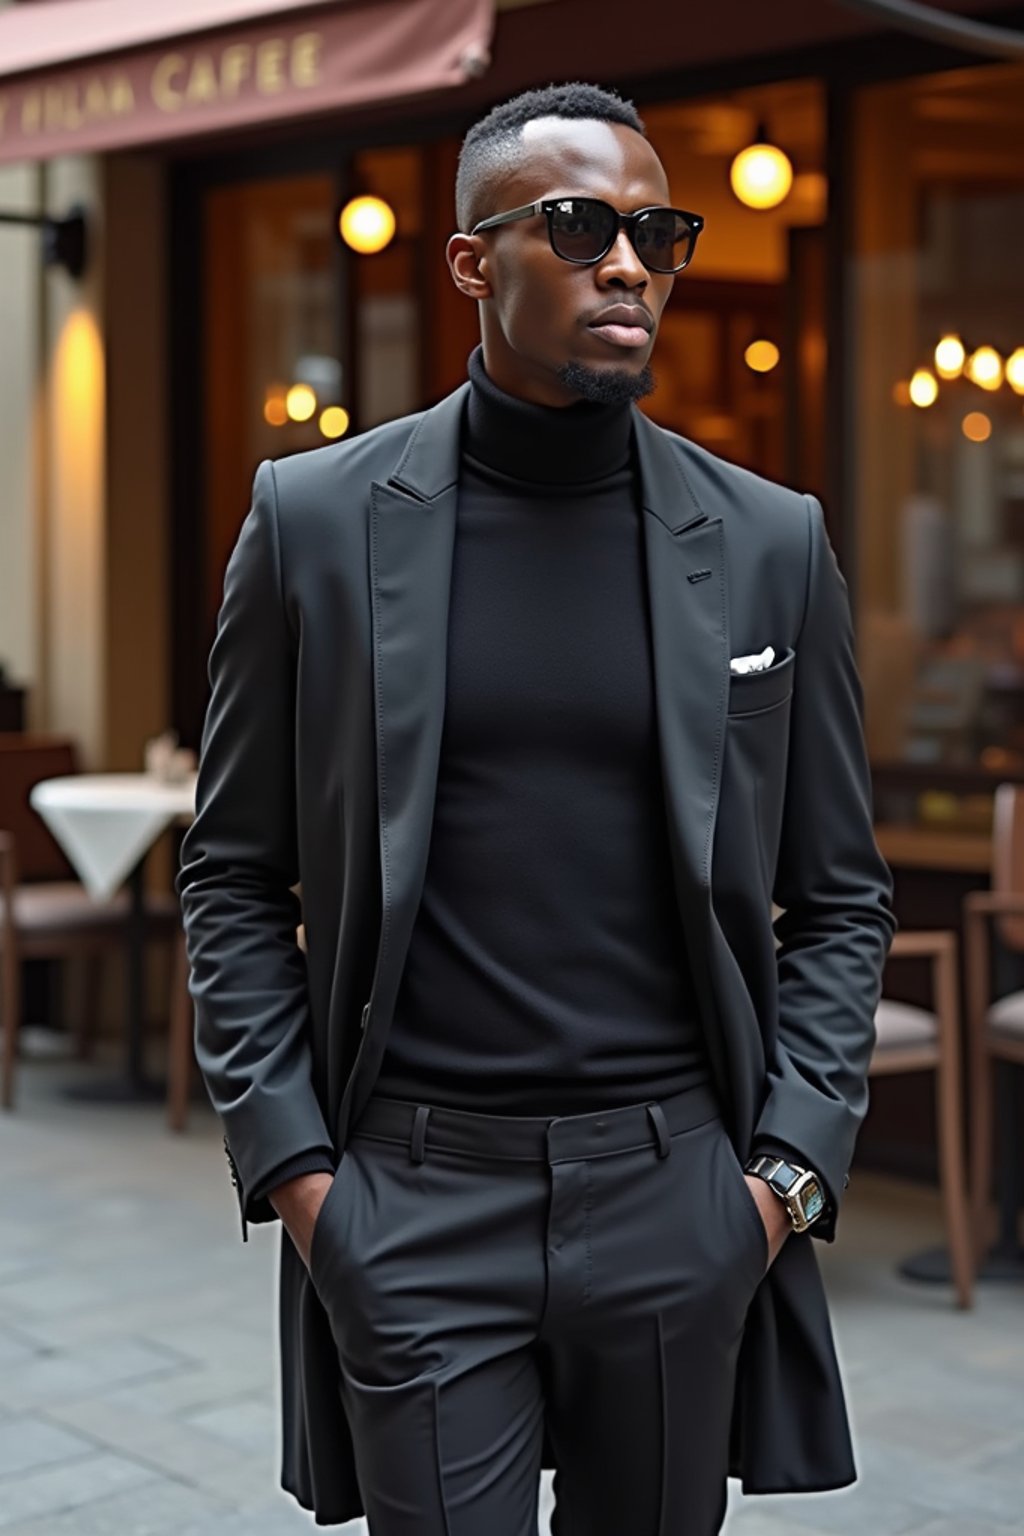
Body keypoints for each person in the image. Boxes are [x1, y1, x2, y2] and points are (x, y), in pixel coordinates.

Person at [177, 80, 896, 1536]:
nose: (628, 262)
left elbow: (839, 894)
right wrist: (307, 1183)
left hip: (679, 1192)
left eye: (656, 232)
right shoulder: (313, 522)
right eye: (578, 226)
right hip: (414, 1195)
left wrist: (779, 1182)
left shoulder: (768, 543)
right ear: (470, 264)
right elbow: (235, 873)